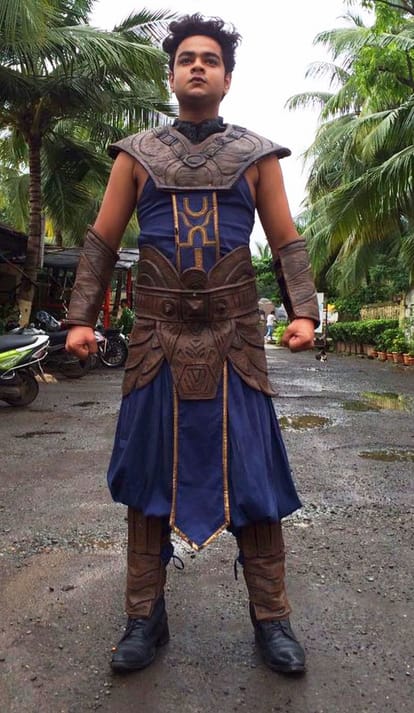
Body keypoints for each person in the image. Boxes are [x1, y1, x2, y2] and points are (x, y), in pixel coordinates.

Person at [65, 13, 319, 676]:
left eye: (210, 59)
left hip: (237, 342)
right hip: (156, 340)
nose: (198, 66)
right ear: (172, 75)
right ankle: (143, 616)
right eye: (186, 59)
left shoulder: (257, 156)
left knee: (254, 478)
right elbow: (102, 240)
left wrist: (304, 312)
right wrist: (80, 319)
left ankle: (273, 618)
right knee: (149, 478)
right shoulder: (135, 155)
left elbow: (286, 238)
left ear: (227, 78)